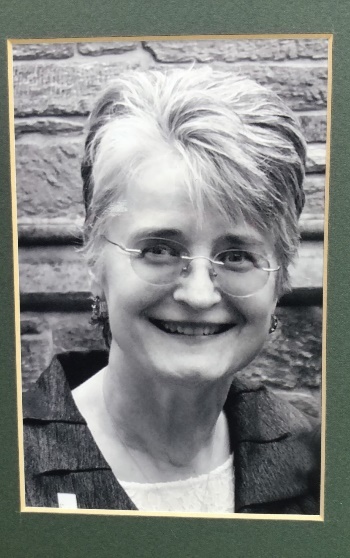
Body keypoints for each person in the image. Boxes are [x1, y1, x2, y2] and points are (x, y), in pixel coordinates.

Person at [23, 67, 320, 514]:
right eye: (159, 250)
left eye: (237, 255)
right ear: (95, 259)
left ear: (280, 278)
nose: (199, 296)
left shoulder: (317, 471)